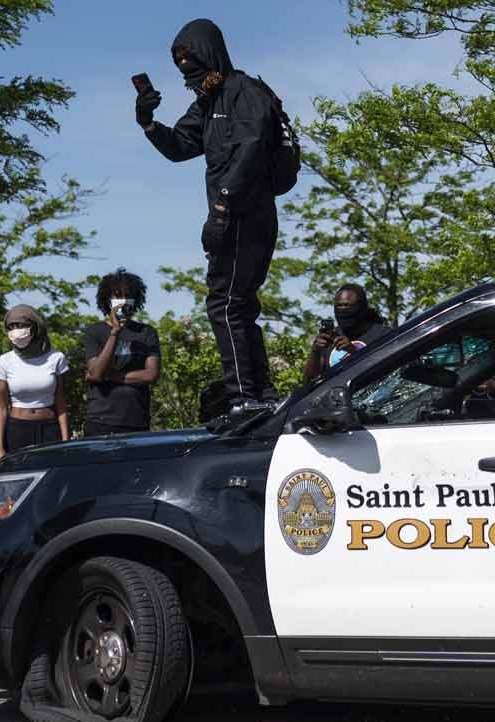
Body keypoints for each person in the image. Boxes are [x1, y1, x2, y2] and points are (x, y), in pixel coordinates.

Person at [137, 18, 280, 409]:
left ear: (211, 52)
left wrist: (222, 206)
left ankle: (245, 397)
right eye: (179, 60)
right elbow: (180, 145)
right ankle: (261, 395)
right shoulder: (207, 103)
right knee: (236, 304)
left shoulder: (244, 92)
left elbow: (250, 149)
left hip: (247, 215)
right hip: (227, 217)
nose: (185, 67)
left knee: (227, 304)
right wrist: (148, 122)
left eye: (190, 57)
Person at [83, 269, 162, 435]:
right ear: (107, 299)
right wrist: (115, 333)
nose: (123, 301)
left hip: (136, 420)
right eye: (117, 296)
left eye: (128, 296)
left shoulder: (146, 332)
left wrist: (111, 377)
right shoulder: (94, 332)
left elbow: (151, 374)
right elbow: (97, 372)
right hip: (100, 420)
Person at [0, 305, 69, 458]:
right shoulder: (4, 361)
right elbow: (1, 407)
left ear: (35, 327)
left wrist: (66, 440)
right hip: (17, 430)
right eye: (11, 327)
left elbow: (61, 402)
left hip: (49, 428)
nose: (16, 331)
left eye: (21, 325)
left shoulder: (56, 358)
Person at [302, 284, 393, 383]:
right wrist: (316, 351)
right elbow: (309, 381)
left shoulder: (383, 334)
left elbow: (387, 373)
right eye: (338, 306)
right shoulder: (331, 337)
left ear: (362, 307)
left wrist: (354, 352)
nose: (342, 310)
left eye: (346, 305)